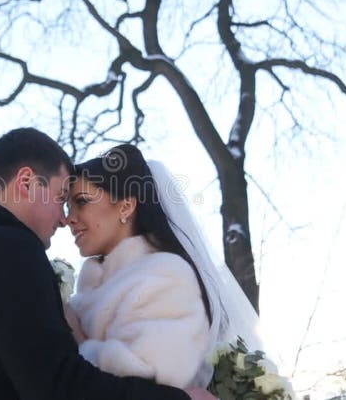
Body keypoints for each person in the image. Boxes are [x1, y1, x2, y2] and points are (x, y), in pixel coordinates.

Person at [0, 128, 215, 400]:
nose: (65, 218)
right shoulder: (9, 250)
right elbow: (59, 388)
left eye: (78, 202)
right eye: (61, 196)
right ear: (26, 182)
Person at [65, 144, 262, 390]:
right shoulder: (92, 287)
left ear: (126, 206)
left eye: (81, 201)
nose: (67, 219)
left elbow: (151, 386)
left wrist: (75, 335)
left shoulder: (167, 274)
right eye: (67, 206)